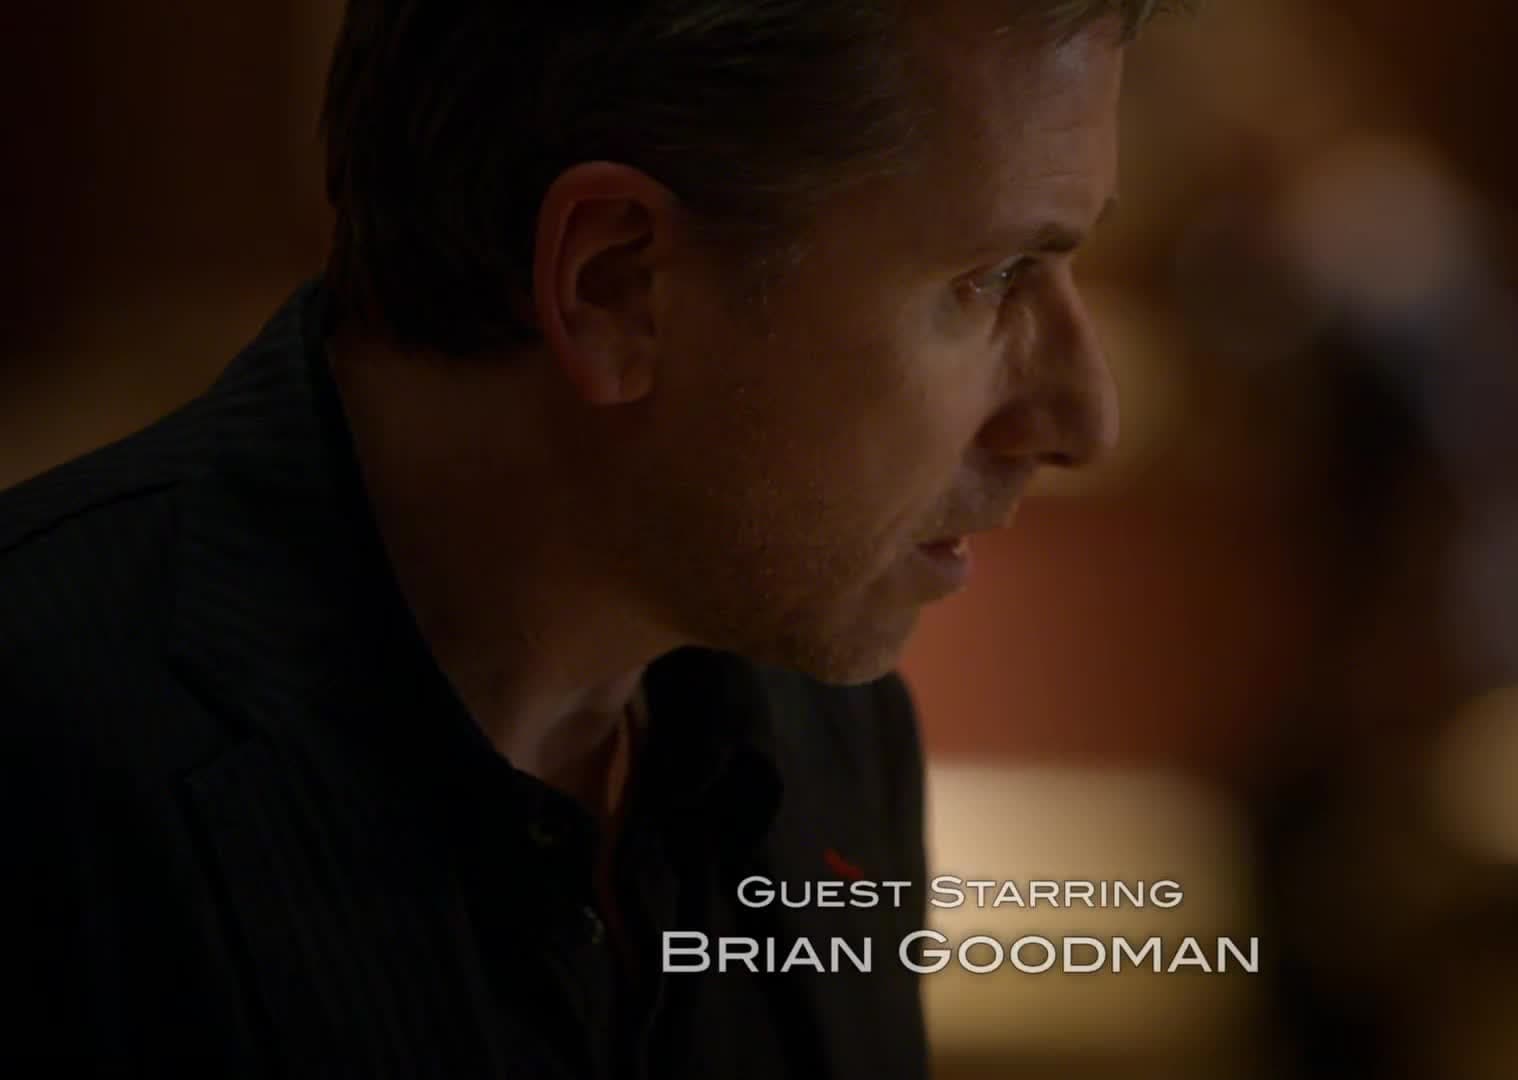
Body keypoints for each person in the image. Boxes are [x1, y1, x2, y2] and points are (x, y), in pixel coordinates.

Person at [0, 1, 1162, 1074]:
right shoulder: (45, 770)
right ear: (616, 283)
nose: (1083, 417)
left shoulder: (830, 740)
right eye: (993, 278)